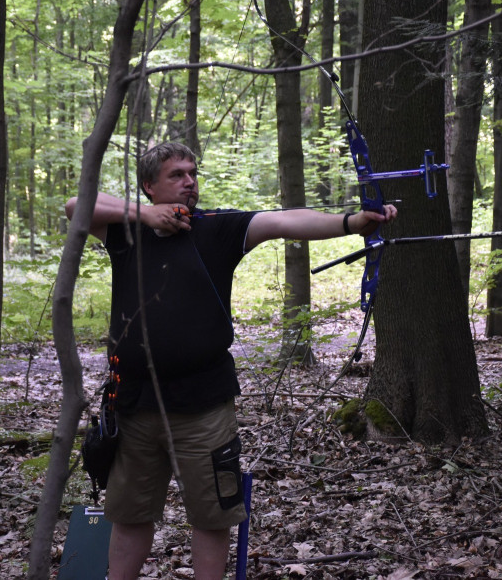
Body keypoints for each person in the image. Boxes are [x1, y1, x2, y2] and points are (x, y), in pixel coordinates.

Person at [64, 142, 396, 580]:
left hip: (203, 404)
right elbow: (75, 206)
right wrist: (146, 215)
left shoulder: (216, 228)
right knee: (129, 515)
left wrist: (351, 222)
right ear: (148, 186)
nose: (189, 182)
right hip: (135, 403)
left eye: (192, 173)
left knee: (212, 515)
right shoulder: (126, 233)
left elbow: (282, 221)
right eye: (176, 175)